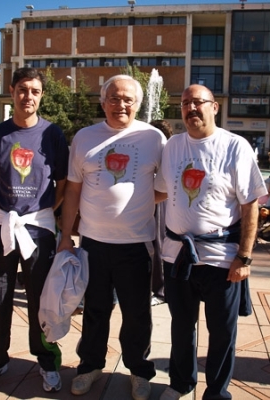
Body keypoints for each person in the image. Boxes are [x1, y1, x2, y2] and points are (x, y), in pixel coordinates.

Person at [154, 84, 267, 400]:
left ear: (214, 107)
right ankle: (180, 383)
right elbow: (161, 191)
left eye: (198, 102)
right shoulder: (173, 146)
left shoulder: (235, 146)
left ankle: (216, 392)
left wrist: (244, 257)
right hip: (178, 254)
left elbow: (250, 204)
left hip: (221, 258)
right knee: (181, 327)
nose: (191, 108)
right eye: (185, 102)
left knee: (221, 333)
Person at [58, 74, 166, 400]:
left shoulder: (154, 138)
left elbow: (163, 188)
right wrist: (66, 236)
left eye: (128, 99)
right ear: (103, 102)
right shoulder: (85, 137)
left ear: (138, 104)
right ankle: (90, 367)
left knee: (136, 314)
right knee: (95, 310)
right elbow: (73, 189)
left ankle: (139, 371)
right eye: (114, 98)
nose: (121, 104)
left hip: (136, 244)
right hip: (93, 242)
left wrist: (137, 203)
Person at [0, 67, 69, 393]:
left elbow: (63, 185)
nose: (28, 96)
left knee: (43, 300)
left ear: (41, 96)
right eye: (23, 89)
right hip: (0, 228)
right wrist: (7, 212)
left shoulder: (52, 135)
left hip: (39, 231)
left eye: (35, 91)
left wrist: (39, 215)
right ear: (12, 91)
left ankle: (46, 359)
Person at [149, 119, 173, 305]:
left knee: (158, 241)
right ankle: (157, 287)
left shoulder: (164, 152)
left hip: (158, 201)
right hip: (157, 200)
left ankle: (160, 289)